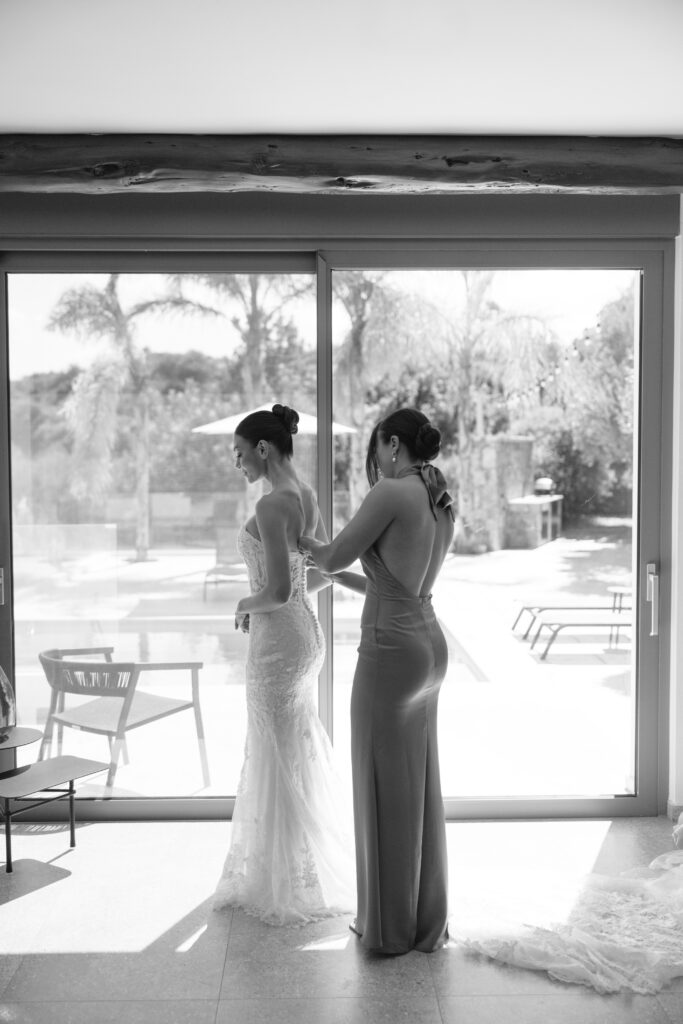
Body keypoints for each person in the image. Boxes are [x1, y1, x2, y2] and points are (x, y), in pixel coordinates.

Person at [300, 407, 455, 955]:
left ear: (392, 445)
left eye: (376, 455)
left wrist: (296, 532)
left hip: (390, 652)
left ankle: (389, 930)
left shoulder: (392, 492)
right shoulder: (437, 494)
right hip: (428, 645)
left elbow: (332, 552)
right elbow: (389, 582)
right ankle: (421, 921)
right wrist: (337, 572)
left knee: (380, 785)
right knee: (417, 786)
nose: (375, 466)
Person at [213, 403, 355, 924]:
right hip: (303, 636)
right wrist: (275, 601)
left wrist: (243, 604)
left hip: (278, 646)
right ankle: (298, 868)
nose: (238, 463)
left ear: (263, 449)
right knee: (290, 748)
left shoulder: (274, 505)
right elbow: (309, 581)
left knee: (274, 750)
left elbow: (274, 589)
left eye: (240, 453)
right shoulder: (308, 497)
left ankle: (277, 878)